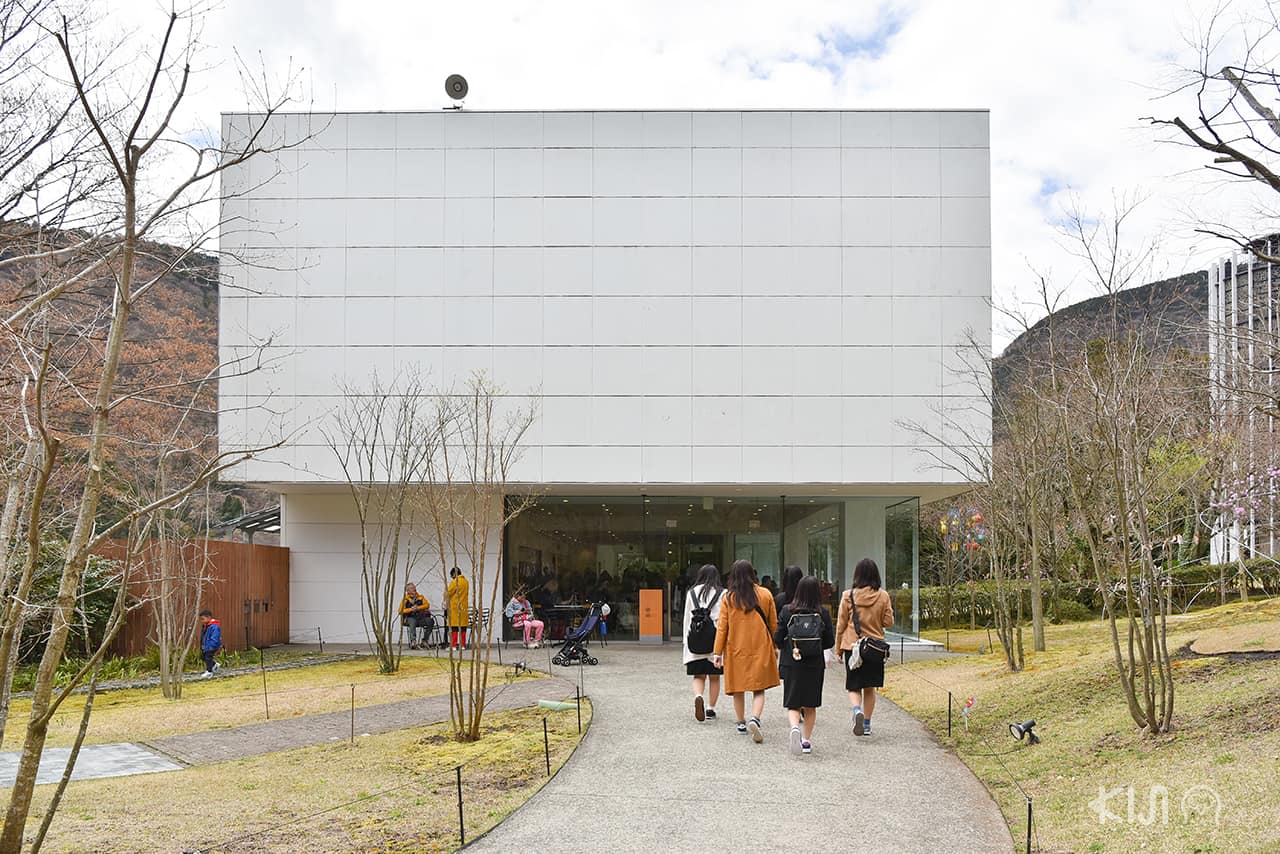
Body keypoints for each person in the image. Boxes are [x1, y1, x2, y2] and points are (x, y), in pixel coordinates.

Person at [712, 559, 780, 743]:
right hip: (761, 646)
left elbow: (722, 627)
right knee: (759, 688)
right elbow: (773, 624)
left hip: (736, 648)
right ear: (753, 574)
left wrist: (717, 652)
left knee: (738, 688)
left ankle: (741, 722)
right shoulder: (765, 594)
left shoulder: (729, 598)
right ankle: (755, 718)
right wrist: (776, 646)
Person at [773, 576, 834, 755]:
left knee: (793, 702)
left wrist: (789, 645)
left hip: (792, 661)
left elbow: (777, 638)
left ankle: (794, 728)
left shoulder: (786, 611)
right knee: (810, 704)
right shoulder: (822, 613)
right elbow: (829, 641)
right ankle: (806, 741)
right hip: (814, 664)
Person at [834, 557, 895, 736]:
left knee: (854, 686)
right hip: (874, 649)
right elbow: (888, 622)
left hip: (852, 647)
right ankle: (867, 724)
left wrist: (838, 649)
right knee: (870, 688)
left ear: (857, 575)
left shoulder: (848, 595)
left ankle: (856, 711)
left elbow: (841, 625)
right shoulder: (883, 595)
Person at [682, 564, 724, 722]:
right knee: (714, 677)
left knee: (698, 676)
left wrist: (687, 641)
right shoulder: (722, 593)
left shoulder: (691, 592)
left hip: (696, 638)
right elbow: (723, 619)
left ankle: (698, 696)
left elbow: (687, 618)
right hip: (714, 641)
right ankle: (711, 709)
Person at [399, 583, 433, 649]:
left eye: (414, 587)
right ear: (408, 591)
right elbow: (400, 611)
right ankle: (413, 641)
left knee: (430, 621)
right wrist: (411, 609)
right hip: (409, 618)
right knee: (412, 620)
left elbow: (427, 605)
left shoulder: (420, 597)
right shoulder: (405, 599)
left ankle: (425, 640)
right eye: (412, 588)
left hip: (420, 618)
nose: (414, 589)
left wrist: (418, 608)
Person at [447, 566, 470, 650]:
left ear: (453, 574)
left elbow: (448, 593)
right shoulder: (466, 582)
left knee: (454, 627)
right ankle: (463, 645)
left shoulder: (454, 582)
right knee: (463, 627)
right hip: (464, 607)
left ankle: (453, 645)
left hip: (455, 607)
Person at [198, 609, 222, 679]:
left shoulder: (214, 627)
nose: (201, 621)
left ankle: (209, 672)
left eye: (203, 619)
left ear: (209, 617)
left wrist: (211, 646)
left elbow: (215, 637)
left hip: (211, 646)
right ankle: (215, 665)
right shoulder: (206, 626)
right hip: (206, 645)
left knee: (208, 658)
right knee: (203, 657)